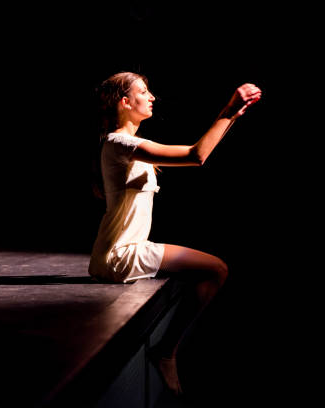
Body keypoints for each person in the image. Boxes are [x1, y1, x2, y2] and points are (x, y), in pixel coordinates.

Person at [88, 71, 261, 396]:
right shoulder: (120, 143)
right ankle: (166, 352)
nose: (152, 96)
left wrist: (234, 115)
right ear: (125, 103)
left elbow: (199, 152)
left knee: (210, 271)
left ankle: (167, 350)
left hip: (122, 251)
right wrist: (228, 108)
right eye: (143, 91)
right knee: (217, 269)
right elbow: (197, 155)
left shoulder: (121, 146)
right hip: (122, 254)